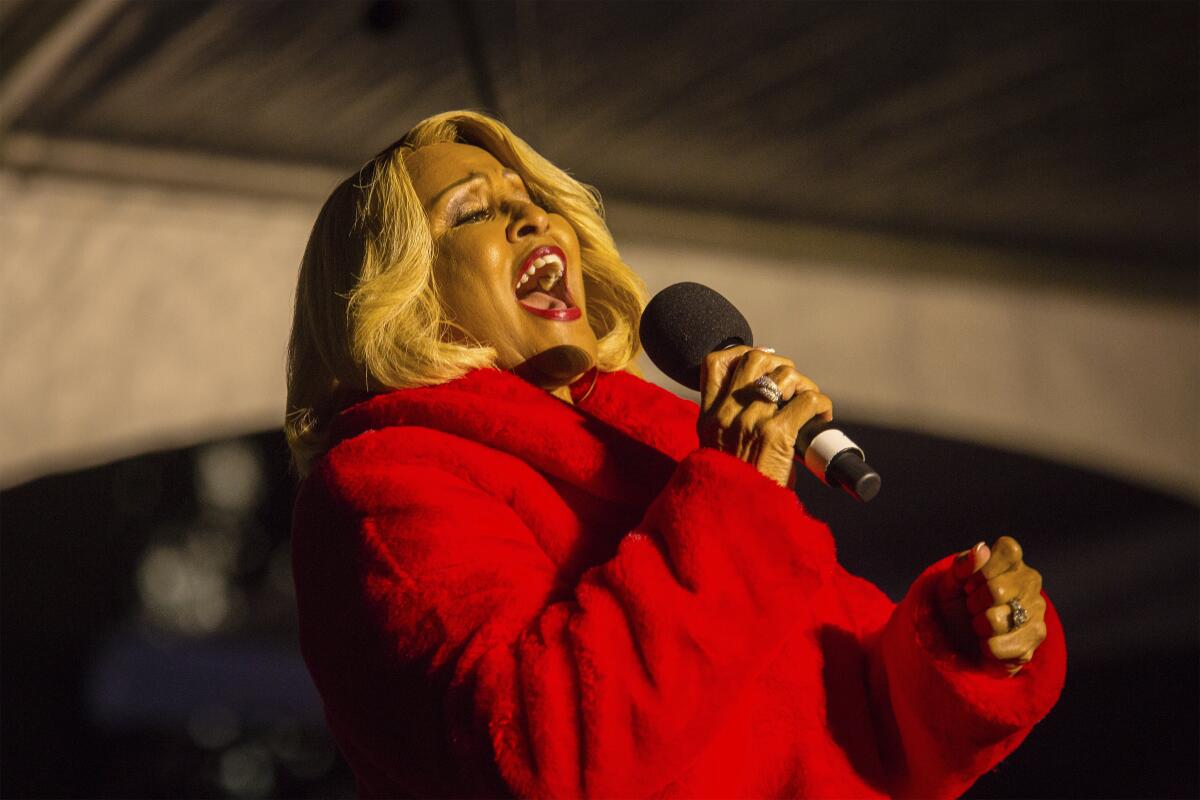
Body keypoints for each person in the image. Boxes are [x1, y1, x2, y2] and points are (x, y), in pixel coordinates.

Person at [285, 110, 1065, 799]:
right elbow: (541, 755)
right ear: (400, 295)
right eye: (472, 213)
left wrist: (958, 642)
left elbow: (860, 730)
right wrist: (732, 492)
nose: (531, 217)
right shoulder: (385, 483)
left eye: (531, 199)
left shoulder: (667, 449)